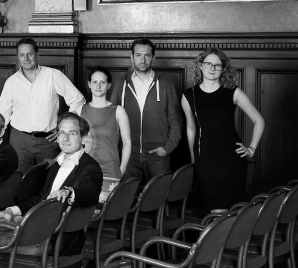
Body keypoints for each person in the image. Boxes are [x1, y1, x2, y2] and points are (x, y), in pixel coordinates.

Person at [0, 112, 102, 268]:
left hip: (50, 238)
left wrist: (69, 192)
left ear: (84, 137)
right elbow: (40, 198)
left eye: (72, 133)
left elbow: (90, 193)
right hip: (31, 222)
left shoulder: (90, 167)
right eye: (61, 133)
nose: (65, 138)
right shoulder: (58, 164)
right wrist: (11, 211)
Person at [181, 48, 265, 211]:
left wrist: (251, 149)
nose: (212, 68)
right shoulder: (188, 95)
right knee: (216, 213)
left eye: (217, 65)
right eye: (208, 64)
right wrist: (194, 160)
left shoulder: (233, 92)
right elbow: (191, 129)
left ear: (223, 68)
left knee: (233, 212)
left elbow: (259, 120)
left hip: (232, 160)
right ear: (200, 65)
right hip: (205, 160)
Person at [0, 38, 85, 173]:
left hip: (48, 141)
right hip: (20, 142)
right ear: (17, 57)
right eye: (22, 55)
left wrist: (63, 128)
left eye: (30, 54)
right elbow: (2, 115)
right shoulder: (11, 82)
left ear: (38, 54)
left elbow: (77, 100)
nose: (26, 58)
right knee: (20, 181)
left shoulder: (53, 75)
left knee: (48, 181)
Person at [109, 38, 183, 182]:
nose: (142, 60)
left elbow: (176, 121)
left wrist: (167, 148)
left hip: (157, 155)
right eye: (138, 55)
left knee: (158, 198)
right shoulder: (121, 83)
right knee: (125, 199)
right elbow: (111, 118)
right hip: (128, 154)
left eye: (147, 55)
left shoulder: (166, 84)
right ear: (132, 57)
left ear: (153, 57)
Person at [78, 66, 131, 179]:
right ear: (89, 84)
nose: (98, 86)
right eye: (95, 82)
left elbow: (127, 143)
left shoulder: (118, 111)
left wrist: (121, 170)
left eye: (102, 82)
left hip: (110, 168)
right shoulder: (80, 110)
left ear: (109, 85)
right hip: (86, 167)